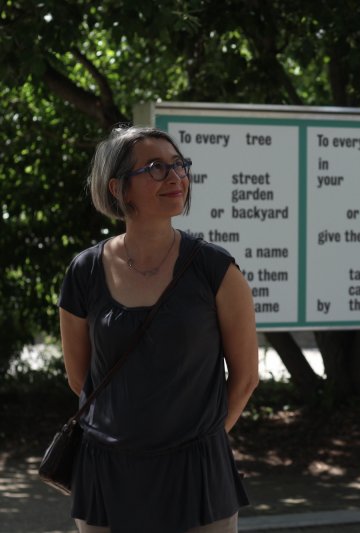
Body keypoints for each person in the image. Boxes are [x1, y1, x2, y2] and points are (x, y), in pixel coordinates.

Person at [58, 125, 260, 533]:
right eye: (155, 168)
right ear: (118, 188)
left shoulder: (214, 269)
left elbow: (246, 376)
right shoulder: (85, 271)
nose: (175, 177)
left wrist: (204, 439)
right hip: (107, 472)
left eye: (179, 165)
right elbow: (80, 377)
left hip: (197, 473)